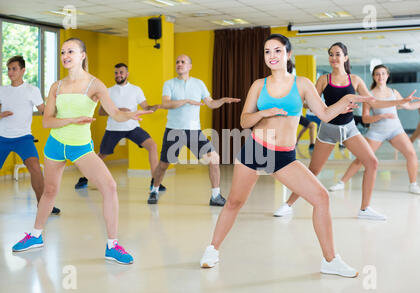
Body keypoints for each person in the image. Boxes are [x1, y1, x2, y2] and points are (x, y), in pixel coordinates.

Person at [199, 34, 377, 278]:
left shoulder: (302, 84)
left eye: (277, 51)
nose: (272, 56)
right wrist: (265, 113)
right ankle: (212, 249)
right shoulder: (258, 85)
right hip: (256, 148)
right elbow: (243, 120)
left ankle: (330, 260)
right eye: (267, 51)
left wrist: (346, 100)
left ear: (288, 54)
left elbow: (324, 114)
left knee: (321, 198)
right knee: (234, 202)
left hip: (284, 156)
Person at [11, 38, 151, 264]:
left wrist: (131, 115)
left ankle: (113, 246)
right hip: (55, 145)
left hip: (81, 148)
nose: (65, 55)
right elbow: (47, 122)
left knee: (110, 187)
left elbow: (114, 113)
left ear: (83, 55)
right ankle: (35, 236)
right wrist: (74, 119)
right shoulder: (56, 86)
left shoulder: (95, 85)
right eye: (63, 52)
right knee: (49, 192)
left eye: (71, 51)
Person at [273, 42, 417, 220]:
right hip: (328, 130)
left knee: (372, 162)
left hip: (349, 129)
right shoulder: (324, 80)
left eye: (338, 54)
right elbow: (308, 103)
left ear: (345, 58)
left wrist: (399, 102)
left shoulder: (355, 80)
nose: (334, 58)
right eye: (331, 54)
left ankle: (365, 209)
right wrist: (330, 108)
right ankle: (288, 205)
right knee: (313, 170)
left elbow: (374, 102)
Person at [328, 65, 420, 195]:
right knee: (361, 158)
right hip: (376, 132)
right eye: (377, 74)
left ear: (387, 75)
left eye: (383, 74)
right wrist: (380, 116)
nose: (380, 76)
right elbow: (365, 119)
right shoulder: (369, 95)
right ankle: (341, 183)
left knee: (411, 153)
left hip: (395, 130)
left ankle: (413, 184)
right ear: (374, 77)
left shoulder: (394, 92)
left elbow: (409, 106)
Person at [147, 54, 240, 206]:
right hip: (174, 131)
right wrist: (186, 101)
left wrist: (222, 100)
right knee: (163, 165)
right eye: (177, 62)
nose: (179, 64)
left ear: (190, 66)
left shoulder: (199, 84)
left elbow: (210, 103)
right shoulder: (169, 84)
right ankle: (154, 190)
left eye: (183, 62)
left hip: (194, 132)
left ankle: (215, 196)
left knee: (214, 159)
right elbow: (166, 104)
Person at [74, 62, 166, 192]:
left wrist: (154, 107)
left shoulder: (136, 90)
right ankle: (84, 178)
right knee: (101, 155)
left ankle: (155, 182)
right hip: (114, 129)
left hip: (132, 127)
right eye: (116, 73)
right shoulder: (108, 91)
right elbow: (101, 112)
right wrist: (118, 110)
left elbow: (146, 107)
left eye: (121, 72)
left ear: (127, 74)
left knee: (152, 146)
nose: (118, 75)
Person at [0, 55, 60, 215]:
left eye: (14, 69)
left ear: (23, 70)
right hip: (2, 138)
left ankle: (44, 205)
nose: (10, 72)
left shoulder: (31, 90)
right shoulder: (2, 90)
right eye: (8, 69)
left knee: (35, 168)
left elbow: (44, 111)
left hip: (24, 138)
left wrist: (59, 113)